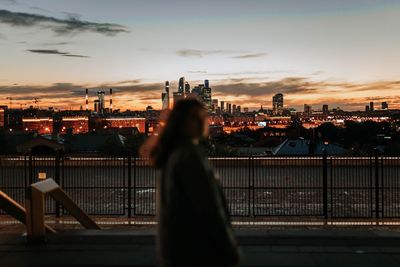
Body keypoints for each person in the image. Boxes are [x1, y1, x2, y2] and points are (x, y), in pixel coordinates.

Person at [142, 98, 240, 267]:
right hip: (197, 249)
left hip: (176, 247)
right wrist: (229, 250)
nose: (205, 122)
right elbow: (210, 208)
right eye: (200, 117)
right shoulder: (190, 155)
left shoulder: (173, 153)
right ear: (187, 122)